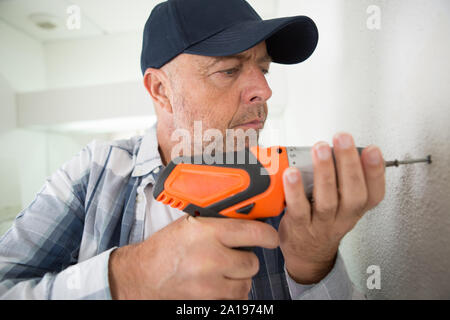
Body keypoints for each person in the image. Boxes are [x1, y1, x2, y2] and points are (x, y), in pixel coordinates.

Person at [0, 0, 385, 299]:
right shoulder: (93, 174)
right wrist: (130, 279)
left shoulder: (289, 192)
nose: (264, 91)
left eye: (263, 70)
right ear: (160, 90)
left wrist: (312, 267)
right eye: (229, 70)